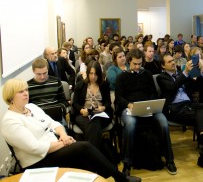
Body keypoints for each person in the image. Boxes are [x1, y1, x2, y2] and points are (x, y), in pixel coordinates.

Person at [1, 78, 141, 182]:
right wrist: (65, 142)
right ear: (11, 97)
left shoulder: (31, 107)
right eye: (20, 92)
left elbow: (53, 123)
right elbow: (35, 148)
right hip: (38, 161)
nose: (26, 93)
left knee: (87, 163)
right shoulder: (10, 121)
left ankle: (110, 177)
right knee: (84, 147)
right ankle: (120, 178)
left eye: (26, 90)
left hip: (54, 147)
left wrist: (63, 134)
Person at [115, 49, 177, 176]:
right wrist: (129, 104)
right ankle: (127, 163)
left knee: (163, 121)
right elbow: (118, 98)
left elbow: (153, 92)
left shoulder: (147, 74)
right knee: (130, 124)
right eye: (134, 64)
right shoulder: (122, 76)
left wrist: (150, 103)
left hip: (147, 107)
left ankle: (169, 159)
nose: (137, 67)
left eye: (139, 64)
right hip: (129, 108)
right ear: (129, 62)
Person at [157, 53, 203, 173]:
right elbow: (171, 87)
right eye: (169, 62)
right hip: (174, 108)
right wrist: (185, 73)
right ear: (163, 66)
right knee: (201, 118)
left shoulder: (181, 74)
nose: (173, 62)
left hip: (188, 105)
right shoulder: (161, 77)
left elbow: (195, 87)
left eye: (173, 60)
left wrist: (200, 73)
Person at [27, 58, 69, 123]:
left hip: (56, 117)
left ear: (48, 69)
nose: (42, 77)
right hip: (38, 119)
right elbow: (27, 106)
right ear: (33, 71)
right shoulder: (27, 86)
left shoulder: (56, 81)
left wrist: (58, 109)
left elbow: (63, 101)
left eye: (45, 73)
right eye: (39, 74)